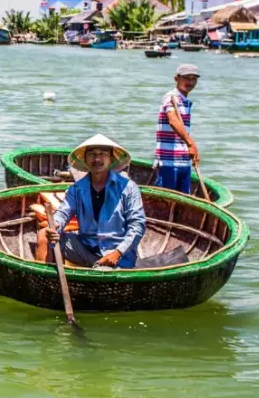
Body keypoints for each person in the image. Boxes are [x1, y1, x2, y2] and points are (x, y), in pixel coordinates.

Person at [44, 134, 146, 268]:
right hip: (86, 248)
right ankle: (46, 280)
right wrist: (55, 226)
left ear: (111, 158)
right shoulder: (77, 189)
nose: (97, 159)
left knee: (104, 272)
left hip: (116, 254)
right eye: (92, 154)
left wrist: (118, 252)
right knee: (43, 237)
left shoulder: (129, 187)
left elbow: (138, 226)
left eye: (103, 154)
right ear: (85, 159)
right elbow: (63, 213)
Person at [154, 63, 200, 195]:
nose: (190, 82)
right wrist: (190, 143)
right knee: (166, 200)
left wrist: (191, 148)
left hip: (184, 161)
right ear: (176, 78)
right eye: (186, 78)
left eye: (193, 79)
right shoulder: (171, 97)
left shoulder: (185, 101)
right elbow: (173, 121)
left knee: (183, 201)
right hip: (168, 161)